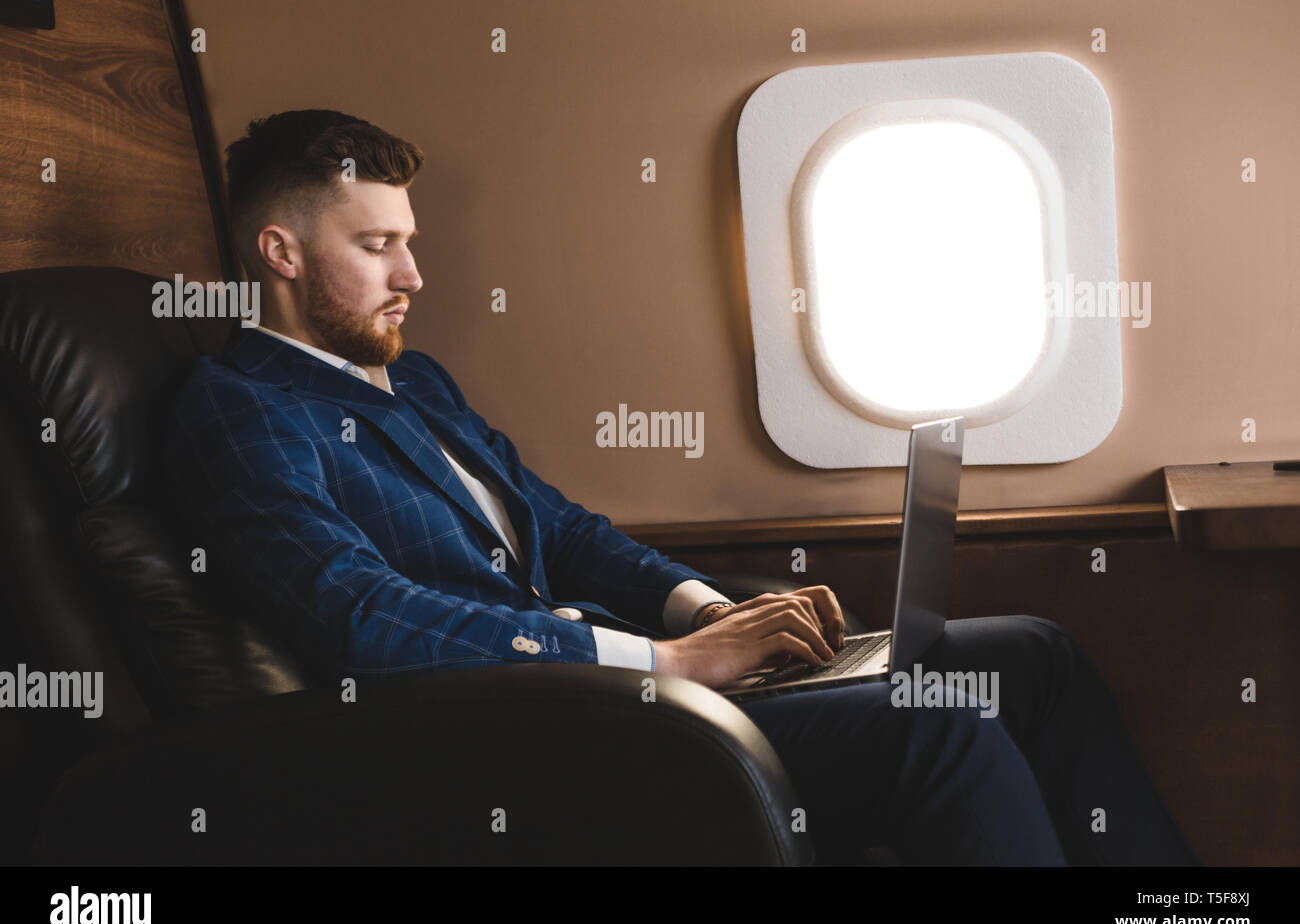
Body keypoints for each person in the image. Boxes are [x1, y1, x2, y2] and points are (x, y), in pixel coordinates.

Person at [163, 109, 1199, 866]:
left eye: (410, 242)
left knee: (1033, 653)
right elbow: (357, 616)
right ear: (281, 251)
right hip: (521, 735)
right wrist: (665, 660)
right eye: (379, 245)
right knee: (939, 719)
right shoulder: (240, 407)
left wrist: (713, 608)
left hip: (613, 677)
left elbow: (563, 533)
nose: (413, 275)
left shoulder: (416, 382)